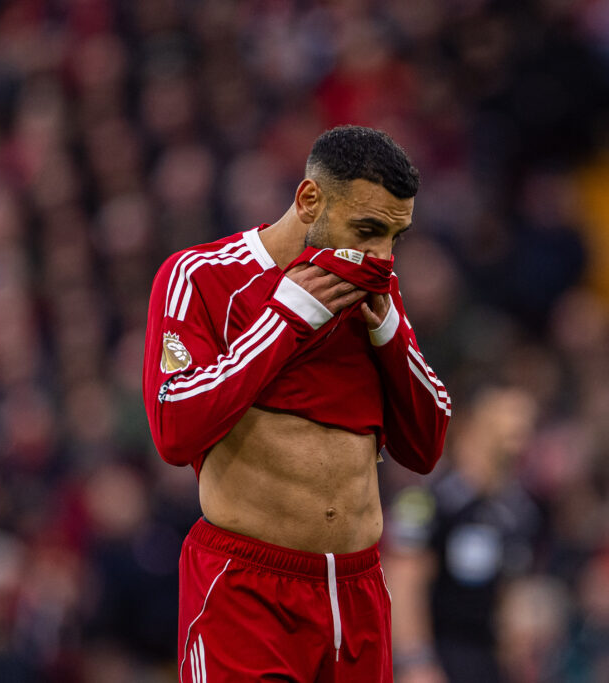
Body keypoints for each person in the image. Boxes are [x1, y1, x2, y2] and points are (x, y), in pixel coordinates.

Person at [142, 125, 451, 682]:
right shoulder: (201, 276)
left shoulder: (374, 291)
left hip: (357, 593)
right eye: (368, 230)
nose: (383, 255)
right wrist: (286, 318)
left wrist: (388, 332)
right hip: (248, 591)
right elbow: (173, 426)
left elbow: (426, 446)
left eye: (395, 237)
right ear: (309, 200)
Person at [386, 385, 538, 683]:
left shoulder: (519, 509)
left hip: (489, 659)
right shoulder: (427, 498)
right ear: (476, 422)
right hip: (439, 654)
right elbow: (403, 580)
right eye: (510, 414)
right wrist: (416, 661)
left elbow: (510, 592)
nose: (522, 425)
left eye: (527, 419)